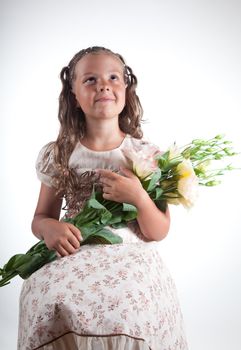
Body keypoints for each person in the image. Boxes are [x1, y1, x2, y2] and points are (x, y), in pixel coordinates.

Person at [18, 46, 188, 349]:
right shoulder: (60, 155)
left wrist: (138, 196)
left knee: (128, 303)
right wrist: (49, 228)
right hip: (76, 250)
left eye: (113, 77)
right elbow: (41, 216)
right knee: (44, 294)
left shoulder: (144, 155)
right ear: (73, 96)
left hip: (130, 254)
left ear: (125, 88)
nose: (103, 85)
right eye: (90, 80)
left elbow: (158, 230)